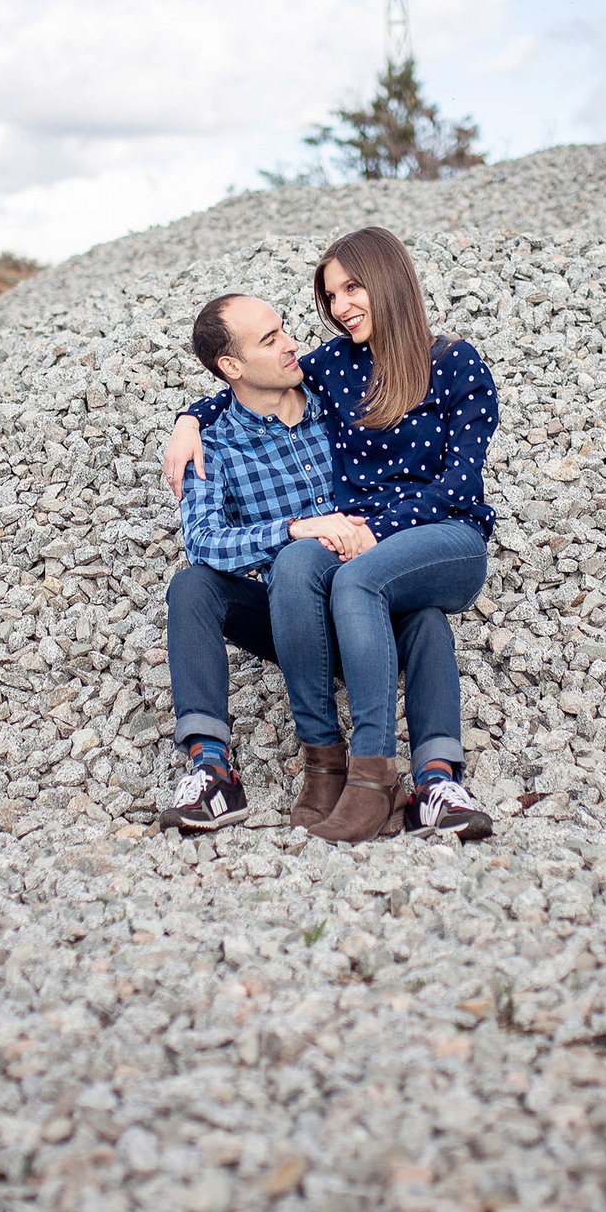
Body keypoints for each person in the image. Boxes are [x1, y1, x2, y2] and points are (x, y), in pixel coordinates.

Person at [167, 226, 497, 843]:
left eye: (353, 287)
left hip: (444, 533)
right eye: (331, 295)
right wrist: (189, 418)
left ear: (390, 280)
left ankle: (384, 776)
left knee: (369, 583)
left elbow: (460, 485)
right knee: (297, 567)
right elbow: (237, 389)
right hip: (349, 559)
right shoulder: (332, 369)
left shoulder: (453, 362)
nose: (340, 306)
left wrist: (365, 529)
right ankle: (330, 767)